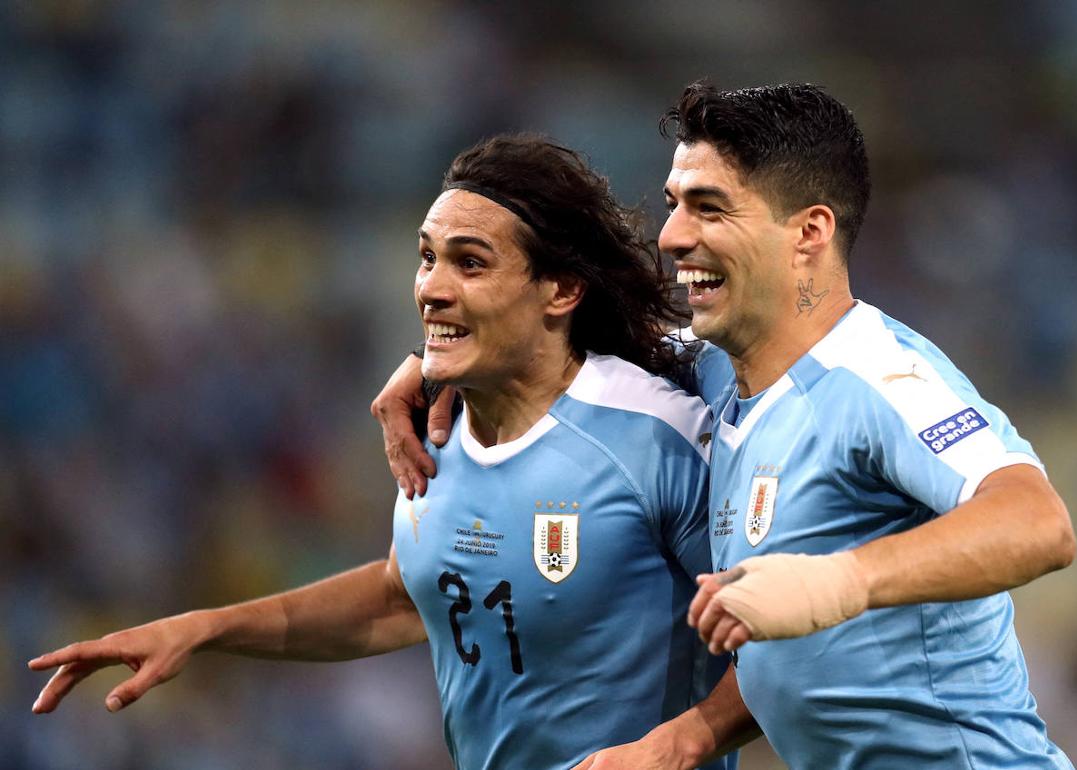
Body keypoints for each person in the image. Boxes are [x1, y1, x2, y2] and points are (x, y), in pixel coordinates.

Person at [373, 83, 1077, 770]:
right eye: (677, 205)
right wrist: (432, 360)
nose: (674, 236)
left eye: (709, 209)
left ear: (809, 233)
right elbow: (559, 337)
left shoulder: (877, 379)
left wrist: (838, 582)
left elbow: (1038, 523)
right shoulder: (714, 370)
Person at [29, 135, 751, 770]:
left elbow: (783, 636)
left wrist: (681, 741)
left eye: (470, 263)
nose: (432, 289)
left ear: (559, 289)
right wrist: (202, 628)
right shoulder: (430, 430)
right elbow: (405, 597)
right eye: (427, 258)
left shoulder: (655, 436)